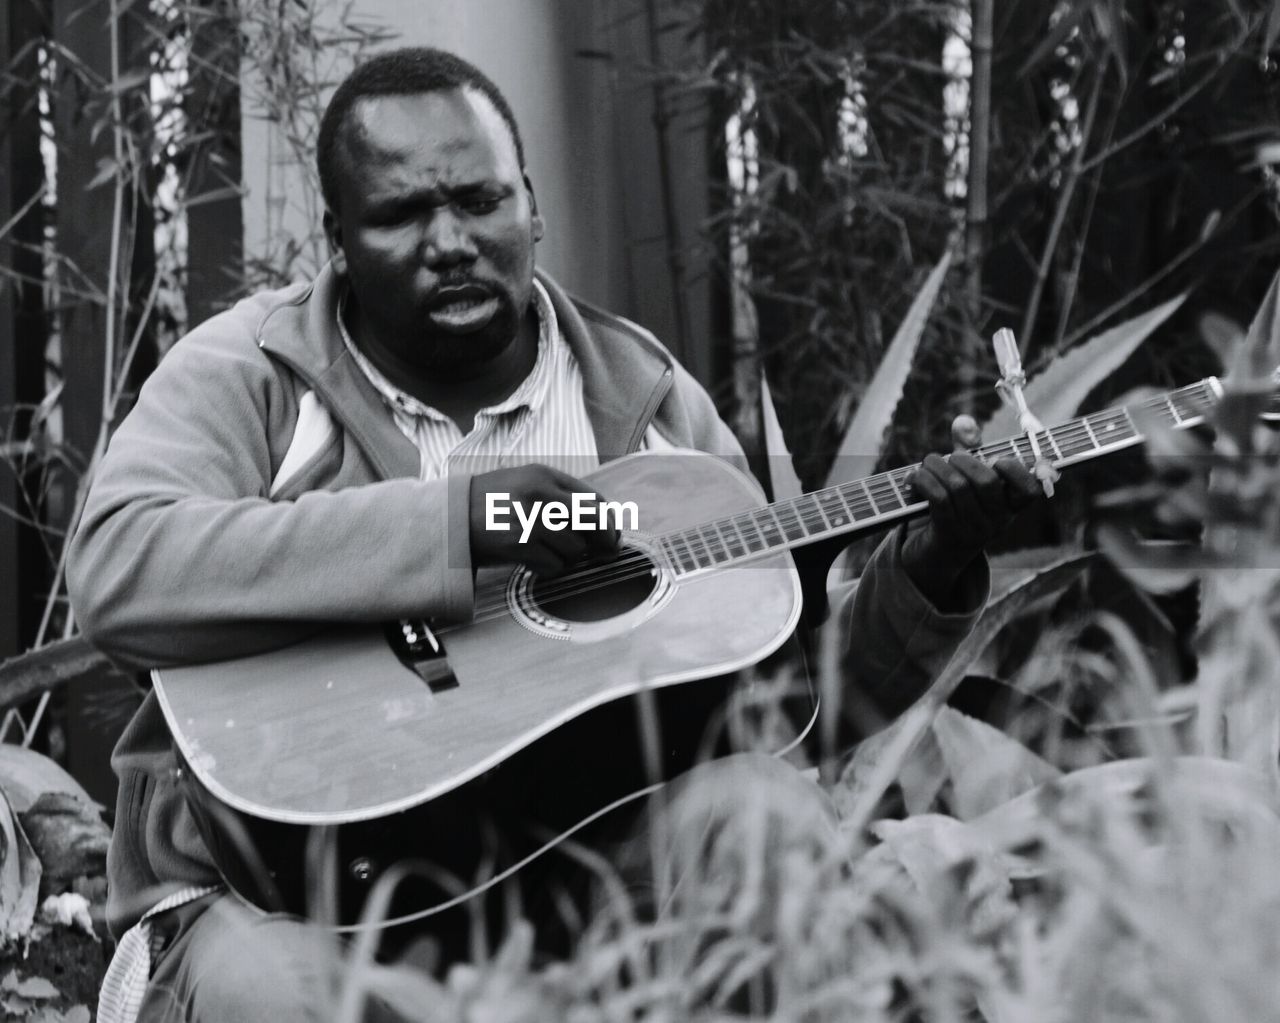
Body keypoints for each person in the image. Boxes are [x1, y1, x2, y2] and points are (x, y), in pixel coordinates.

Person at [68, 47, 1039, 1023]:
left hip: (569, 868)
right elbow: (117, 569)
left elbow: (781, 705)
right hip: (286, 888)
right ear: (337, 237)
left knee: (762, 814)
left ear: (528, 202)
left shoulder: (642, 403)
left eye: (480, 201)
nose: (450, 241)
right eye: (402, 215)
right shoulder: (255, 371)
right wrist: (460, 522)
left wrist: (929, 564)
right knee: (266, 995)